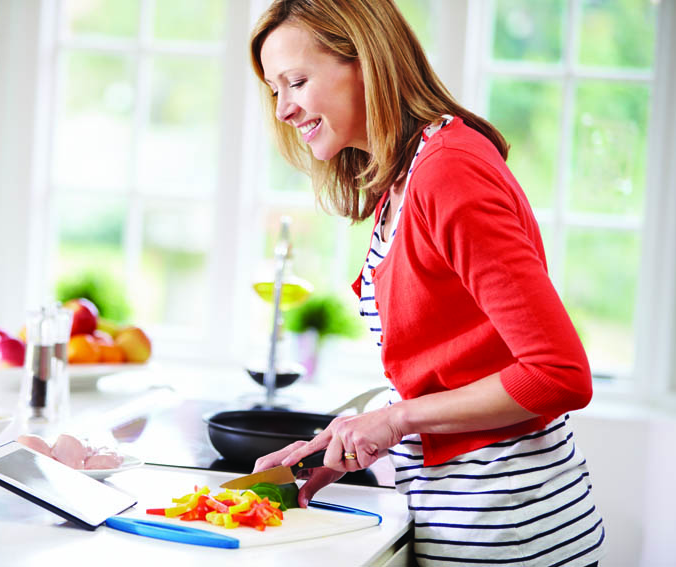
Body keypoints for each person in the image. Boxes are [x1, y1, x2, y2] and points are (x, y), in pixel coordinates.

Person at [249, 1, 606, 565]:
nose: (284, 109)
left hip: (505, 530)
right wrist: (343, 442)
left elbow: (558, 374)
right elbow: (453, 373)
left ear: (366, 61)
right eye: (274, 90)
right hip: (456, 518)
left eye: (296, 81)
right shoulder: (403, 179)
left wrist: (395, 419)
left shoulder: (449, 170)